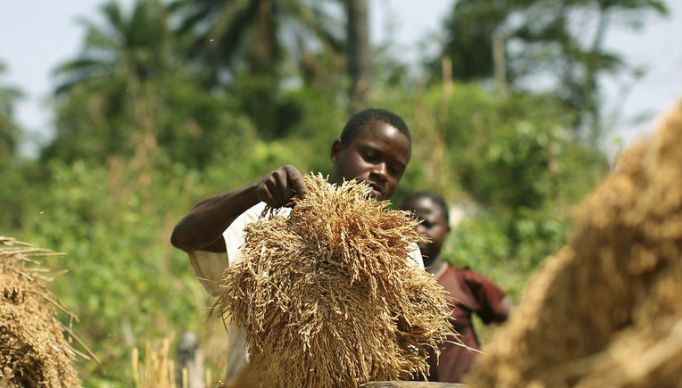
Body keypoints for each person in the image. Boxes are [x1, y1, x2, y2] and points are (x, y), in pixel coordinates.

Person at [170, 108, 423, 384]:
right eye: (371, 157)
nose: (381, 173)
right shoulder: (273, 218)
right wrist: (252, 192)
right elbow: (185, 237)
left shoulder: (400, 247)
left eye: (395, 169)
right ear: (338, 151)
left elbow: (407, 346)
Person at [399, 191, 514, 383]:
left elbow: (519, 321)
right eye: (410, 221)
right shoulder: (384, 287)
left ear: (447, 231)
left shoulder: (464, 282)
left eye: (428, 223)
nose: (418, 229)